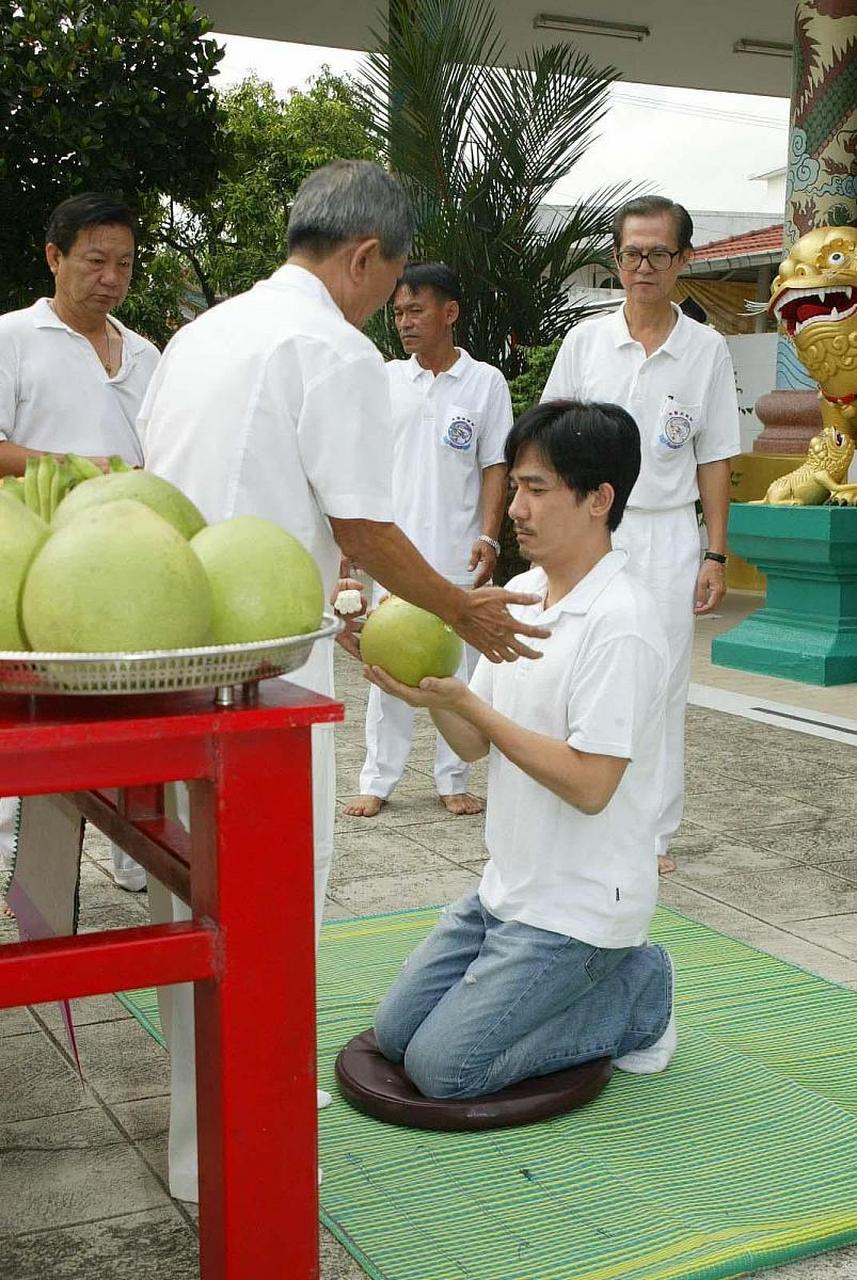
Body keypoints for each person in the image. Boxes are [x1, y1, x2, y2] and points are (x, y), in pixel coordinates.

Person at [138, 159, 547, 1202]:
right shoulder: (331, 347)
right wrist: (458, 609)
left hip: (156, 638)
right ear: (363, 255)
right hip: (257, 658)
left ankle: (199, 1124)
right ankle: (250, 1125)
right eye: (389, 282)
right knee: (272, 896)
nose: (389, 305)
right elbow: (361, 522)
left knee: (192, 892)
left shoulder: (202, 331)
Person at [367, 400, 675, 1098]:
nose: (515, 508)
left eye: (536, 489)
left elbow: (591, 783)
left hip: (581, 911)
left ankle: (640, 996)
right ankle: (595, 985)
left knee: (445, 1071)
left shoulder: (620, 622)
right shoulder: (523, 594)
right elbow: (474, 742)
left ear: (598, 499)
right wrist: (437, 696)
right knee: (393, 1036)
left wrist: (467, 702)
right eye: (515, 488)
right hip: (506, 893)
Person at [541, 196, 740, 876]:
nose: (644, 267)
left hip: (666, 537)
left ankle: (650, 833)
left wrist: (714, 551)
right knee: (573, 671)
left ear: (682, 260)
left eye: (659, 253)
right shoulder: (584, 342)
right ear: (616, 259)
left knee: (657, 687)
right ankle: (576, 813)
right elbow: (548, 437)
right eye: (632, 253)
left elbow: (714, 455)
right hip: (590, 536)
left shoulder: (704, 349)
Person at [0, 191, 159, 898]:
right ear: (54, 257)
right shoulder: (12, 338)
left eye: (123, 263)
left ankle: (141, 861)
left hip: (127, 561)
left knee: (133, 712)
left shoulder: (147, 354)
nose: (111, 277)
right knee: (26, 717)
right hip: (31, 560)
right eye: (95, 260)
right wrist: (69, 467)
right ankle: (8, 864)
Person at [346, 263, 513, 820]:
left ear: (449, 313)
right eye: (397, 313)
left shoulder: (485, 382)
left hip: (456, 550)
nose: (404, 323)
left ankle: (452, 778)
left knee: (454, 667)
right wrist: (352, 544)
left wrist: (489, 536)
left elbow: (495, 465)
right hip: (393, 550)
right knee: (386, 661)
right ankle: (378, 779)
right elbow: (362, 465)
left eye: (415, 311)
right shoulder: (386, 379)